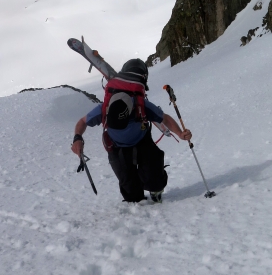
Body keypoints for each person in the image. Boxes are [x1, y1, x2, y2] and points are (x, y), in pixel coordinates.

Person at [71, 58, 191, 203]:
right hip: (117, 148)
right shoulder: (105, 108)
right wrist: (77, 138)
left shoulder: (139, 104)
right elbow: (82, 122)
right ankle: (138, 191)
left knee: (154, 179)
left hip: (142, 142)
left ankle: (155, 187)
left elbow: (164, 119)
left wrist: (180, 134)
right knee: (132, 195)